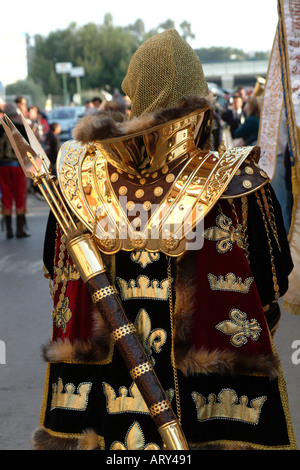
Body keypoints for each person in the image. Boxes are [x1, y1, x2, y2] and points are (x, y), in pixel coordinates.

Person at [33, 29, 296, 450]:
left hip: (98, 402)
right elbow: (271, 287)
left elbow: (55, 280)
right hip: (213, 405)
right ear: (201, 98)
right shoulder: (240, 187)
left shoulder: (72, 181)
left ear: (133, 93)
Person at [0, 102, 30, 238]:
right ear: (14, 114)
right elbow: (28, 149)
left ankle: (9, 231)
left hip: (2, 167)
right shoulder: (20, 128)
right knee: (19, 196)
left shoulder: (0, 129)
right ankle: (19, 230)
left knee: (6, 198)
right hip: (17, 168)